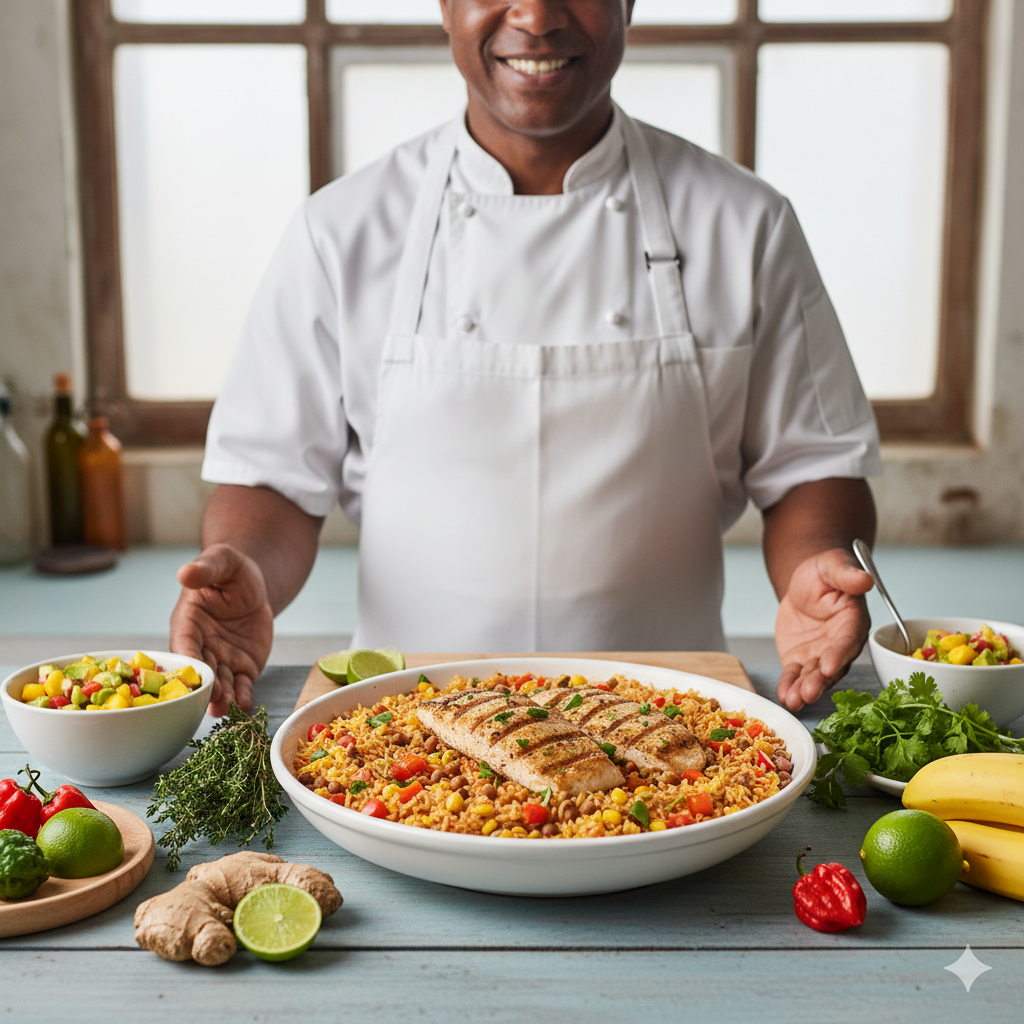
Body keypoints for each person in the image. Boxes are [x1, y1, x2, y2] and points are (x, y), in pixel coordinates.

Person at [171, 0, 880, 719]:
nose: (536, 17)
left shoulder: (745, 223)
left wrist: (814, 565)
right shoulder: (340, 230)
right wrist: (247, 566)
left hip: (672, 722)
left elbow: (812, 466)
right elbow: (275, 482)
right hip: (403, 733)